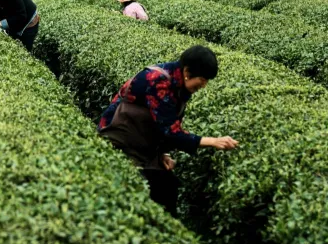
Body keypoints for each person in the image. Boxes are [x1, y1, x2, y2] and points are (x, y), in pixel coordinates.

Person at [97, 45, 239, 216]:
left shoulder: (180, 87)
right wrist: (213, 141)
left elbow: (165, 124)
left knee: (168, 187)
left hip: (140, 142)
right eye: (202, 79)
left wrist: (161, 153)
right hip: (120, 140)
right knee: (139, 191)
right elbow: (170, 131)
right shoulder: (159, 80)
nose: (204, 85)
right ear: (187, 71)